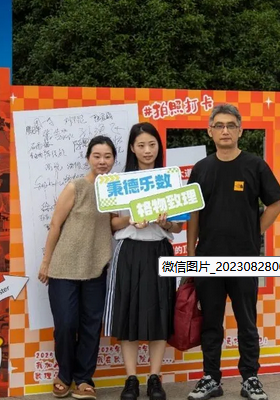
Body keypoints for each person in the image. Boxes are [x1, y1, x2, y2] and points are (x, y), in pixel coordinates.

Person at [186, 104, 280, 400]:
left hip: (244, 258)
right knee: (211, 322)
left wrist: (253, 235)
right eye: (219, 125)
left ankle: (250, 378)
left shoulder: (255, 165)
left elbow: (275, 205)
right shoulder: (201, 168)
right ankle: (210, 378)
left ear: (240, 131)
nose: (225, 130)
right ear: (210, 131)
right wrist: (191, 253)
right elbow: (193, 213)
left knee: (246, 320)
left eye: (231, 125)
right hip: (207, 258)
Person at [104, 122, 183, 400]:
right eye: (141, 145)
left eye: (152, 144)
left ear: (159, 147)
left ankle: (154, 378)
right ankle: (131, 379)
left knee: (160, 312)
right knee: (128, 314)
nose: (147, 150)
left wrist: (166, 223)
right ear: (132, 148)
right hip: (128, 252)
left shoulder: (170, 180)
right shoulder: (119, 182)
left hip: (160, 251)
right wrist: (130, 219)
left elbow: (178, 227)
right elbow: (112, 224)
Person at [37, 135, 116, 399]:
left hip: (95, 267)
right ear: (88, 158)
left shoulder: (114, 190)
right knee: (66, 324)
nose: (102, 161)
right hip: (63, 268)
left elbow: (113, 224)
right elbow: (55, 225)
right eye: (97, 156)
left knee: (91, 326)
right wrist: (46, 262)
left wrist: (140, 216)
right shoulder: (76, 187)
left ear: (114, 160)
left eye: (107, 156)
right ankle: (64, 374)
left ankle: (84, 379)